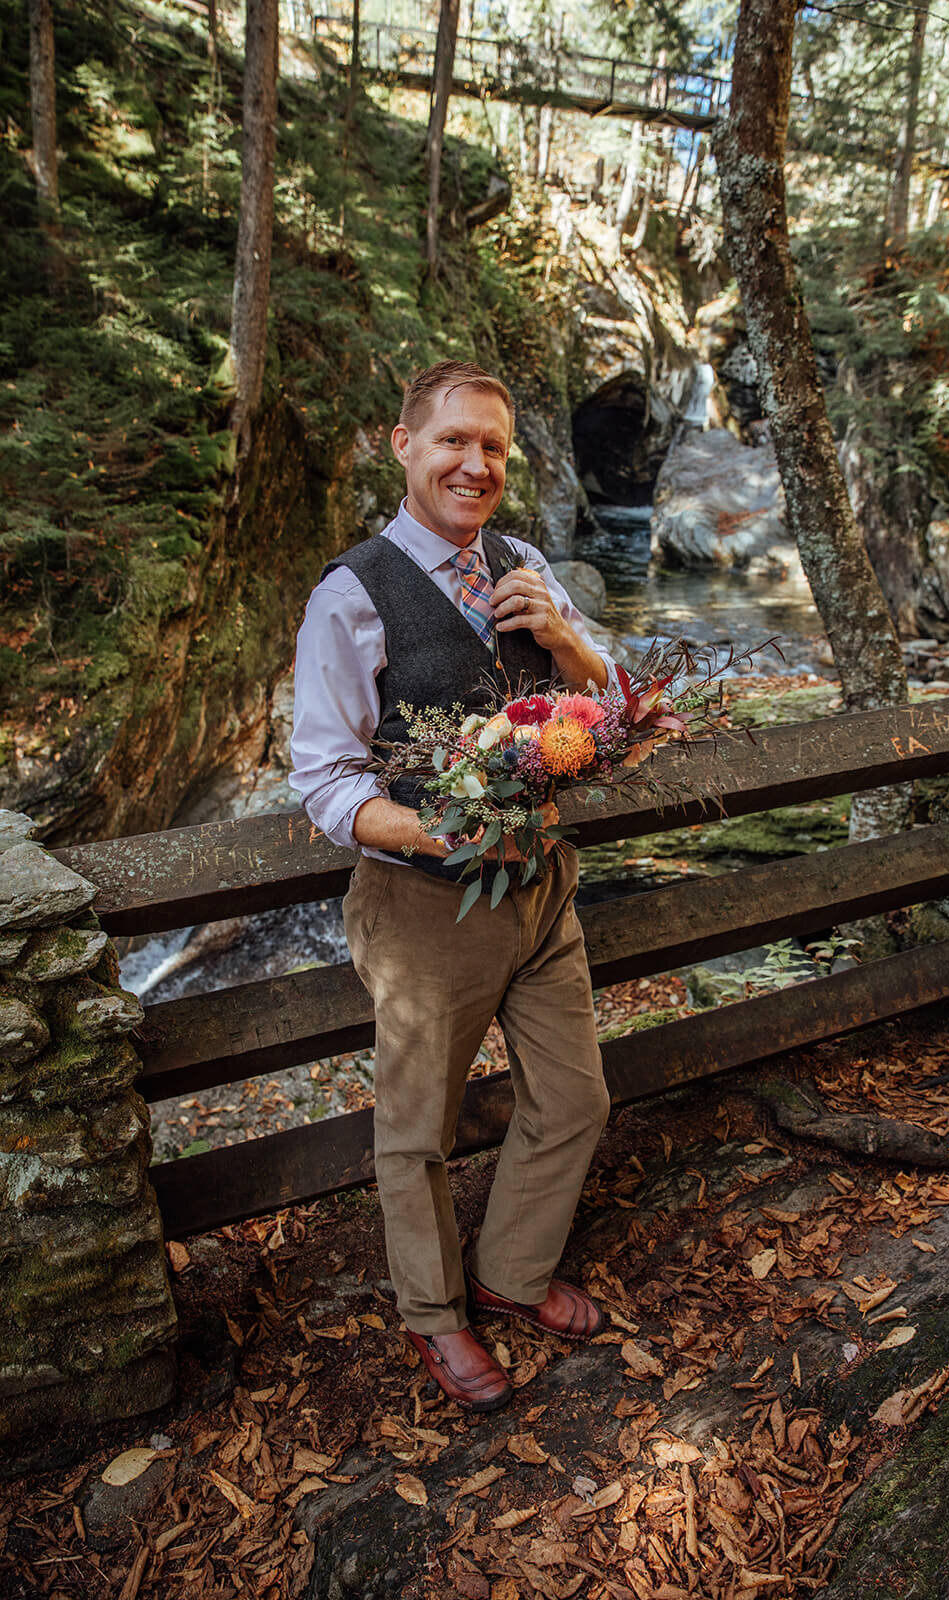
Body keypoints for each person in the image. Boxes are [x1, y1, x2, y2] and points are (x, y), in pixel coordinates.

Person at [290, 361, 613, 1412]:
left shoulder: (523, 562)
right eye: (453, 442)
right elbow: (327, 783)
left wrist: (565, 640)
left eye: (493, 450)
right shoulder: (351, 594)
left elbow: (601, 709)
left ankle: (510, 1274)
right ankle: (434, 1316)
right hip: (423, 910)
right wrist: (442, 835)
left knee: (573, 1099)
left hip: (540, 894)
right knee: (416, 1130)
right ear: (403, 446)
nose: (475, 465)